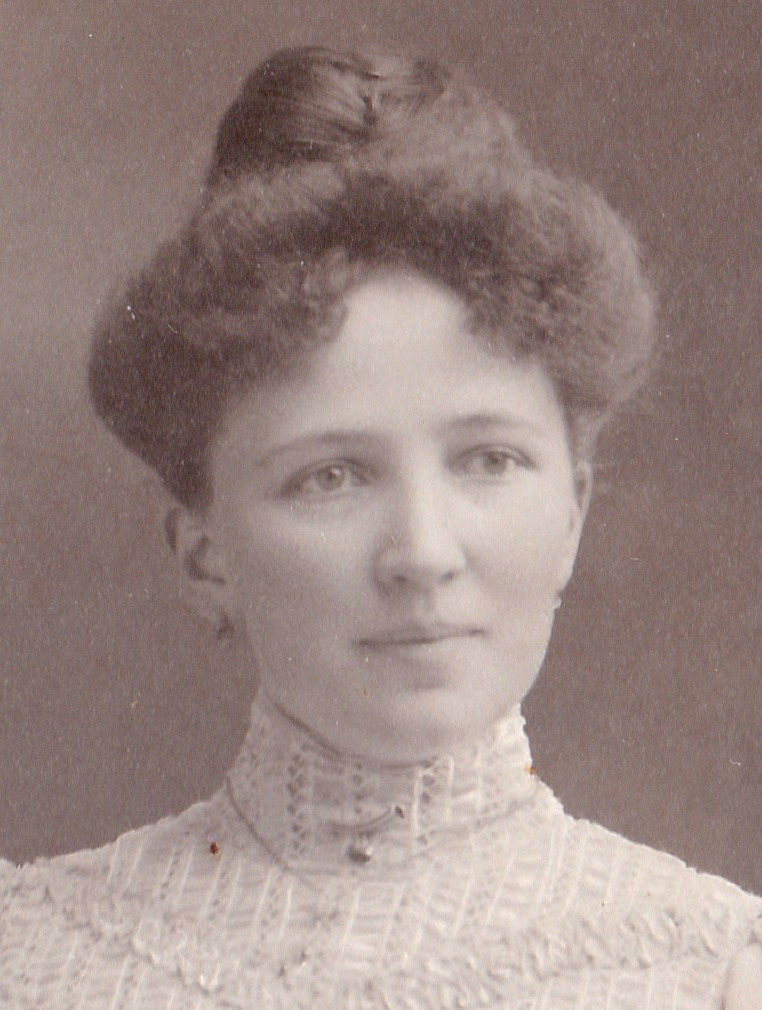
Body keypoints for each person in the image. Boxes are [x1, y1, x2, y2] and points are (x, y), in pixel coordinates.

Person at [1, 46, 760, 1010]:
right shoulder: (32, 959)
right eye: (331, 477)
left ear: (572, 509)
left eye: (489, 460)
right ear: (203, 555)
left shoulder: (712, 972)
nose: (423, 555)